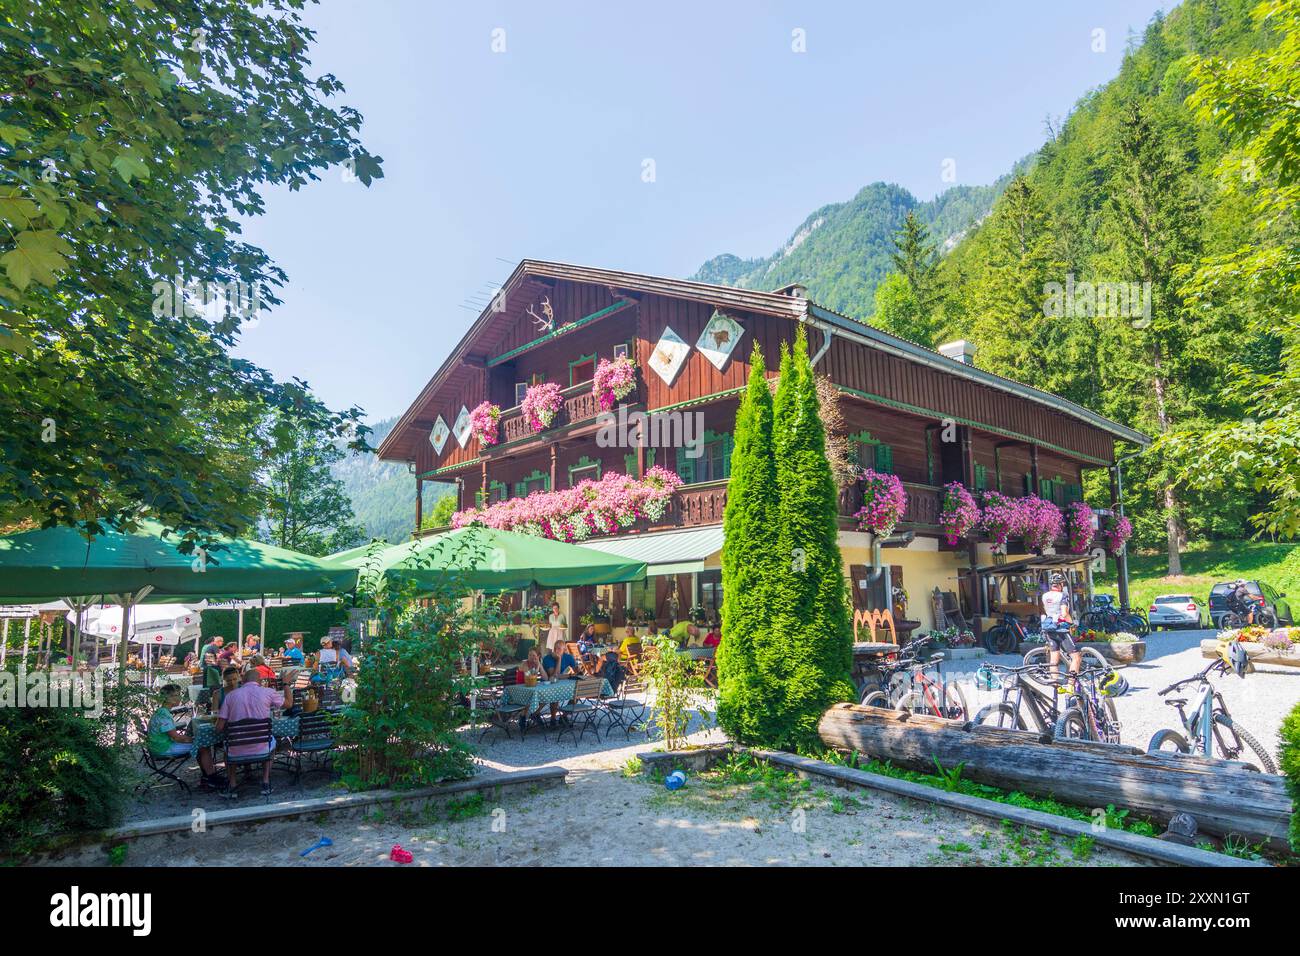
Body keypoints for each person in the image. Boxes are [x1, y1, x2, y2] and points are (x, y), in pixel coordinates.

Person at [216, 670, 294, 798]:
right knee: (271, 743)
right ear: (260, 681)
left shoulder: (230, 696)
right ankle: (265, 781)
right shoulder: (268, 692)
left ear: (243, 680)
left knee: (228, 749)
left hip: (236, 749)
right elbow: (289, 704)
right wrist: (285, 684)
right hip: (262, 747)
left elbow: (219, 728)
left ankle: (233, 784)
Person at [147, 684, 222, 786]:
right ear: (167, 698)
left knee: (200, 745)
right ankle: (211, 778)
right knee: (203, 746)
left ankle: (207, 776)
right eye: (175, 695)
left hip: (158, 745)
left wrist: (193, 740)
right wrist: (195, 739)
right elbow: (177, 737)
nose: (179, 697)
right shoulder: (163, 715)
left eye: (179, 694)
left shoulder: (162, 711)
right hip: (163, 748)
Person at [1040, 573, 1081, 680]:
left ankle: (1055, 684)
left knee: (1054, 660)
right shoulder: (1062, 595)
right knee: (1076, 657)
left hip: (1049, 628)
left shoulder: (1045, 596)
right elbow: (1064, 613)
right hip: (1061, 629)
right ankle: (1071, 684)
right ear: (1061, 584)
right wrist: (1071, 623)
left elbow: (1046, 610)